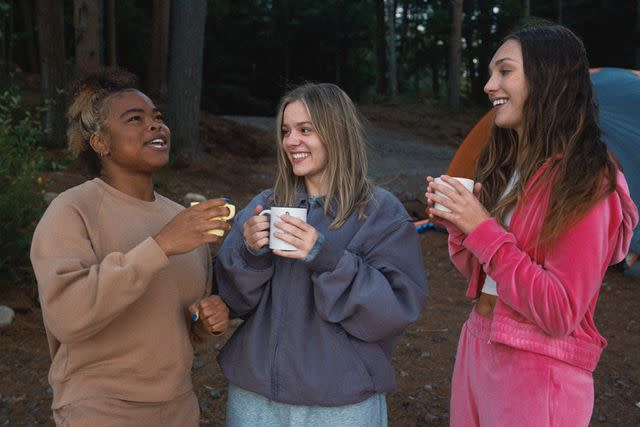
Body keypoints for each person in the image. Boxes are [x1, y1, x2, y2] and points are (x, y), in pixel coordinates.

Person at [425, 24, 638, 426]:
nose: (490, 85)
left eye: (504, 71)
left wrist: (483, 228)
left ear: (548, 78)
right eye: (491, 73)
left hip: (537, 370)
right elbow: (483, 274)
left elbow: (560, 311)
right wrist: (460, 223)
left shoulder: (588, 183)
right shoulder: (513, 168)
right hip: (477, 345)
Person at [215, 83, 428, 426]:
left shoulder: (379, 212)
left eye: (305, 130)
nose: (290, 141)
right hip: (255, 397)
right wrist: (250, 253)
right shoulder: (264, 205)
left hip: (340, 401)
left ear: (337, 133)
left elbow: (394, 311)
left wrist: (326, 258)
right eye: (286, 131)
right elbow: (229, 301)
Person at [30, 68, 231, 426]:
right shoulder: (72, 209)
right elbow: (67, 317)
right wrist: (162, 245)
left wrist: (205, 319)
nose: (155, 126)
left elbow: (181, 323)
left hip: (178, 408)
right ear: (100, 143)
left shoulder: (180, 218)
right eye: (134, 119)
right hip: (100, 409)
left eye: (157, 117)